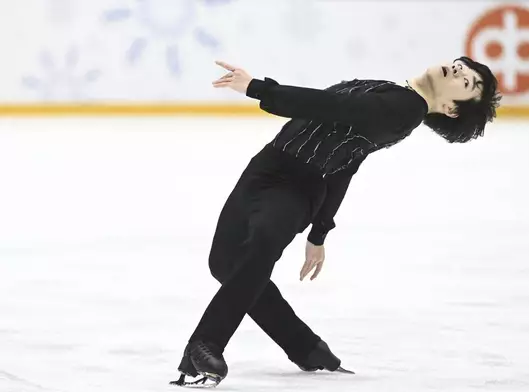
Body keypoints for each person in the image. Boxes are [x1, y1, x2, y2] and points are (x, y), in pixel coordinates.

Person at [170, 57, 501, 387]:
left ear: (451, 109)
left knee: (261, 245)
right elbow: (348, 163)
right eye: (461, 65)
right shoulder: (395, 93)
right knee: (224, 263)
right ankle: (306, 347)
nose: (459, 70)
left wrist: (257, 89)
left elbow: (329, 106)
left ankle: (206, 345)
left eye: (467, 82)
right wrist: (320, 231)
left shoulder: (406, 108)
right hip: (268, 167)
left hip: (296, 185)